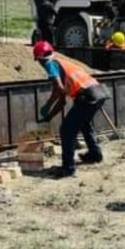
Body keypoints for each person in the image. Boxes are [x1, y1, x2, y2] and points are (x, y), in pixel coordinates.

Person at [33, 40, 109, 178]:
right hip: (99, 93)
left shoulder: (50, 64)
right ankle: (95, 154)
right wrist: (49, 116)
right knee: (85, 124)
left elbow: (58, 88)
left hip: (87, 96)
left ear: (39, 59)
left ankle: (68, 168)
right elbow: (62, 100)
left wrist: (48, 104)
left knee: (67, 131)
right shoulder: (62, 63)